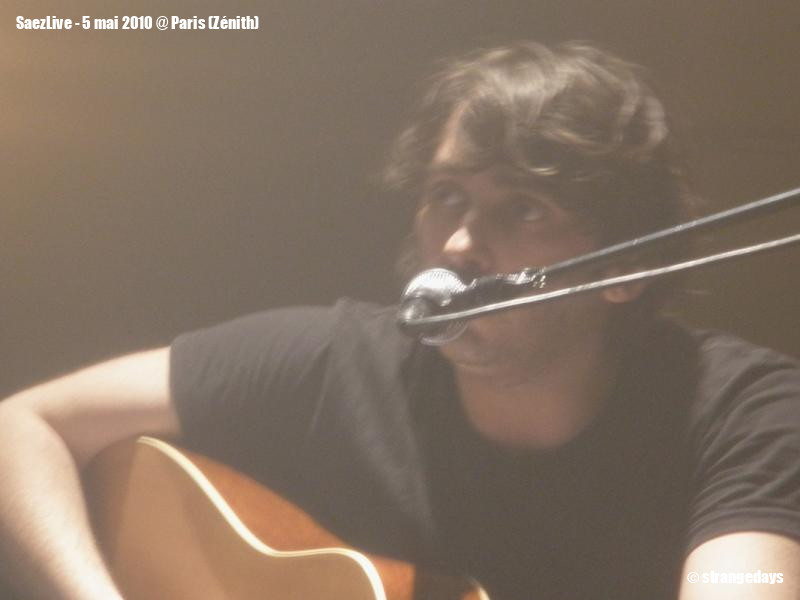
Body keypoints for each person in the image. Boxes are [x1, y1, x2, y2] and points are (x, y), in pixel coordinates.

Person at [1, 41, 799, 600]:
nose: (458, 244)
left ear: (623, 273)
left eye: (523, 209)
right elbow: (20, 427)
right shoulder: (334, 360)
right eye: (446, 197)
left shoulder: (744, 414)